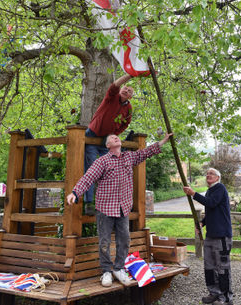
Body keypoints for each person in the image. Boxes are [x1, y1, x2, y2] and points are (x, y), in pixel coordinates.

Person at [67, 132, 173, 287]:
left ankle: (118, 268)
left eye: (117, 137)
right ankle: (106, 272)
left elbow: (145, 153)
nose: (116, 138)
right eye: (111, 138)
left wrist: (162, 142)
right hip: (105, 208)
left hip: (123, 208)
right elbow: (88, 177)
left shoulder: (129, 157)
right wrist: (75, 192)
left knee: (124, 240)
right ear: (108, 146)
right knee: (104, 241)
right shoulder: (102, 161)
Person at [183, 168, 233, 305]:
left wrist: (193, 194)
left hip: (222, 236)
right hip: (211, 235)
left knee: (222, 267)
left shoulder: (220, 188)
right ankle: (214, 292)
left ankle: (226, 297)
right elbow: (212, 210)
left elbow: (211, 203)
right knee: (209, 266)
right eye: (207, 174)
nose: (208, 175)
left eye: (211, 174)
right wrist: (202, 223)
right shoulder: (211, 191)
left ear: (218, 177)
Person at [84, 74, 134, 208]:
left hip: (106, 141)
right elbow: (115, 85)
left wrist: (114, 134)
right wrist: (129, 75)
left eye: (129, 91)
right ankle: (88, 203)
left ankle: (109, 201)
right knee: (91, 167)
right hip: (93, 135)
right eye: (125, 88)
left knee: (111, 168)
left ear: (130, 97)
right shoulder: (112, 96)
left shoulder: (128, 109)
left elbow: (126, 123)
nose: (126, 91)